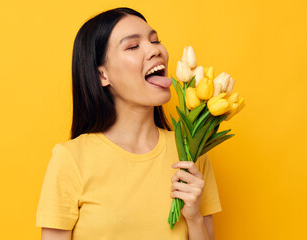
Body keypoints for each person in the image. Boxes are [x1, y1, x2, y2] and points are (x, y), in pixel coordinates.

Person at [36, 7, 222, 240]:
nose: (155, 50)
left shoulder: (190, 154)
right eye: (133, 46)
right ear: (102, 75)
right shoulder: (70, 159)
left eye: (155, 41)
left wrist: (193, 216)